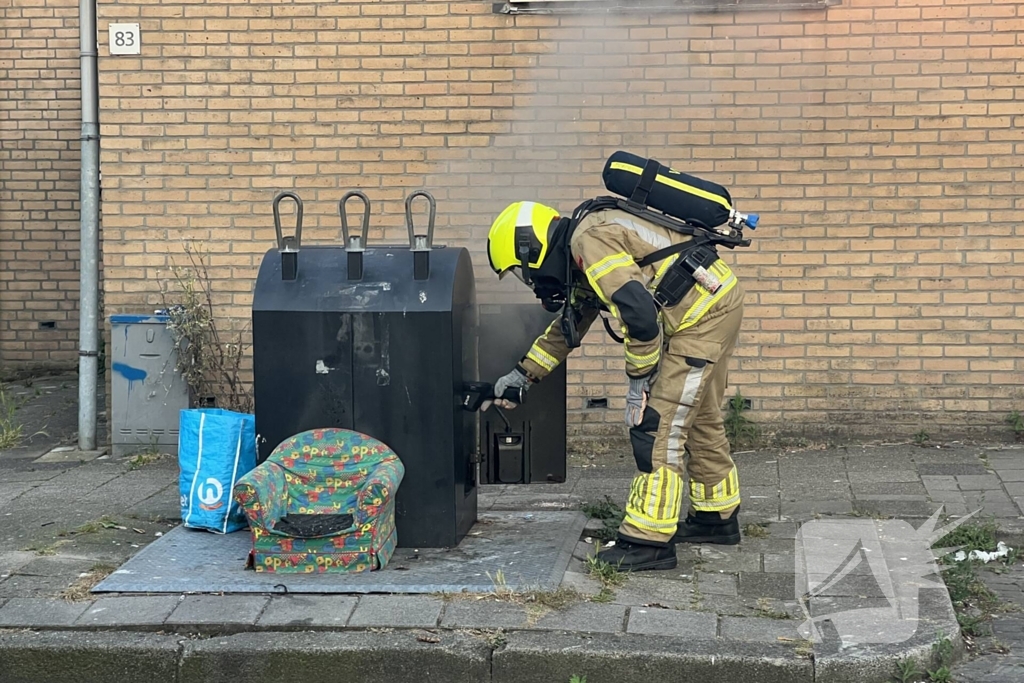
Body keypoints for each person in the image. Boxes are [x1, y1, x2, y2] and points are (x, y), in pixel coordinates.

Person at [486, 199, 746, 572]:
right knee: (699, 417)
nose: (529, 282)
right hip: (715, 302)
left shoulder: (589, 241)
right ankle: (715, 517)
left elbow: (639, 316)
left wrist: (639, 381)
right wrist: (524, 374)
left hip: (699, 319)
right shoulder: (583, 246)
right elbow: (572, 323)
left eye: (520, 270)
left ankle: (648, 540)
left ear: (530, 249)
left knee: (657, 426)